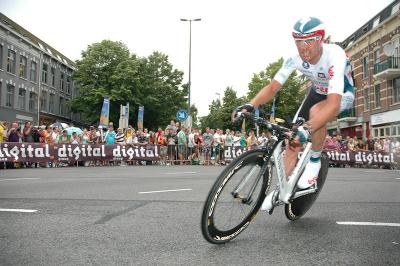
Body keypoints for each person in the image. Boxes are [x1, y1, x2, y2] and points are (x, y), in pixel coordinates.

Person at [236, 17, 355, 211]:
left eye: (308, 41)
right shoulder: (295, 59)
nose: (303, 47)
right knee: (292, 140)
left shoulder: (335, 55)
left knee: (316, 114)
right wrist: (251, 104)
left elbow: (332, 105)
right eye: (298, 41)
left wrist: (308, 128)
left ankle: (315, 161)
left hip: (341, 94)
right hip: (317, 92)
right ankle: (279, 190)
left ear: (320, 39)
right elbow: (273, 86)